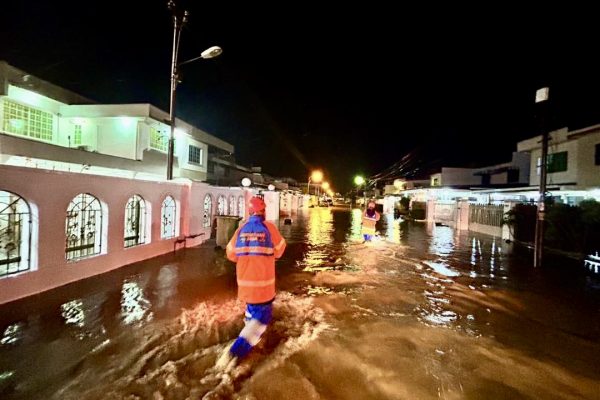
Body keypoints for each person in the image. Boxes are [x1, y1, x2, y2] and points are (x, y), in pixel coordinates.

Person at [219, 196, 286, 368]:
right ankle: (235, 352)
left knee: (251, 314)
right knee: (262, 318)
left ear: (249, 212)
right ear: (264, 212)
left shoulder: (241, 229)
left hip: (245, 287)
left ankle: (252, 341)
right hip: (264, 288)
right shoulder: (269, 228)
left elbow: (230, 253)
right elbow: (280, 250)